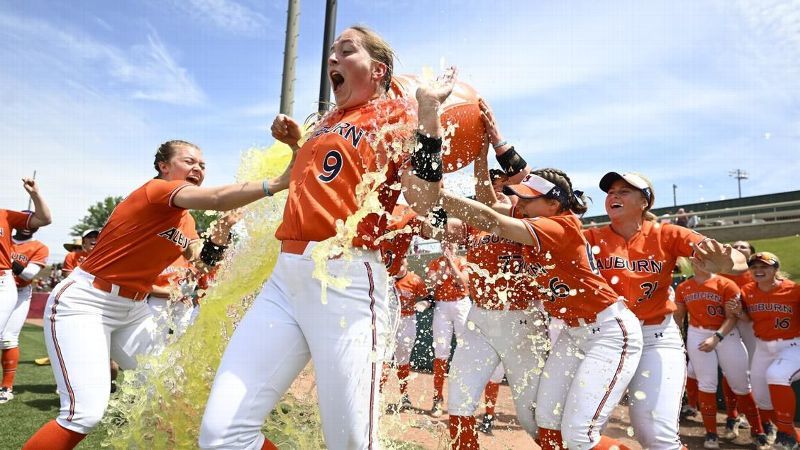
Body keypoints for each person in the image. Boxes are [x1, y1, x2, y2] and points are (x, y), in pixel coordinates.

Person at [199, 26, 428, 449]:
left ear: (378, 70)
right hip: (287, 276)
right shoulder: (328, 120)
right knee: (222, 434)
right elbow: (331, 177)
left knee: (351, 444)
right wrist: (296, 144)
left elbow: (423, 197)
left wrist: (429, 119)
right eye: (330, 53)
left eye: (346, 51)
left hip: (346, 275)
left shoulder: (397, 114)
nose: (332, 60)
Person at [23, 139, 277, 449]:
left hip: (133, 309)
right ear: (163, 167)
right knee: (84, 414)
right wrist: (277, 182)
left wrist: (222, 229)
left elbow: (202, 259)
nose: (198, 167)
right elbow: (218, 197)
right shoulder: (157, 191)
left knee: (169, 392)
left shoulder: (187, 219)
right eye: (189, 161)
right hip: (87, 301)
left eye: (202, 164)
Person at [584, 171, 749, 450]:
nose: (614, 196)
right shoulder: (590, 236)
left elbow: (735, 258)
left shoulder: (666, 234)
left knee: (655, 435)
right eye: (611, 192)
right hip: (604, 339)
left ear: (644, 202)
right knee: (581, 430)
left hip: (654, 339)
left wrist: (726, 264)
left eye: (624, 191)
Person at [673, 260, 766, 449]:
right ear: (691, 262)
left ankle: (758, 431)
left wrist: (716, 337)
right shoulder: (684, 287)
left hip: (727, 334)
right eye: (697, 260)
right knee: (706, 384)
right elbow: (679, 317)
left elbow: (732, 317)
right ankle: (711, 433)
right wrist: (675, 339)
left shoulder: (726, 284)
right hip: (697, 333)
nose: (701, 264)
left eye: (705, 260)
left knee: (740, 384)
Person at [729, 252, 800, 450]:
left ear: (775, 269)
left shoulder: (794, 290)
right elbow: (747, 319)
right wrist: (738, 312)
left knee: (776, 375)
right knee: (761, 398)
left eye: (764, 267)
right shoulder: (747, 291)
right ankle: (791, 435)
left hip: (792, 346)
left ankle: (786, 435)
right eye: (754, 267)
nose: (759, 271)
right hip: (763, 347)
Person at [0, 179, 52, 403]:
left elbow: (29, 275)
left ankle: (6, 387)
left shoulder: (38, 246)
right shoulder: (8, 240)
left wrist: (35, 194)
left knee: (8, 338)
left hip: (16, 290)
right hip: (9, 282)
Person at [34, 229, 102, 368]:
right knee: (71, 340)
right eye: (90, 237)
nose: (94, 239)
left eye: (97, 236)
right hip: (76, 303)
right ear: (84, 241)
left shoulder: (106, 256)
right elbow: (69, 279)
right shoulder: (72, 256)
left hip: (98, 304)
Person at [425, 240, 471, 417]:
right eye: (445, 244)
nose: (449, 247)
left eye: (451, 244)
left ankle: (462, 399)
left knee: (465, 349)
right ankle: (438, 397)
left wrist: (451, 261)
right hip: (442, 306)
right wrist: (445, 263)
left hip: (461, 304)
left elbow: (463, 281)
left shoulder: (463, 260)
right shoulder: (435, 263)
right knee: (441, 352)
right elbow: (435, 281)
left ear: (457, 246)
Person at [382, 256, 430, 412]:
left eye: (402, 263)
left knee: (403, 360)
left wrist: (424, 303)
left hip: (408, 320)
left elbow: (429, 297)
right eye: (398, 264)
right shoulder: (386, 278)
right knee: (384, 358)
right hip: (389, 320)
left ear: (407, 262)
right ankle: (379, 392)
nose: (400, 267)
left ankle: (404, 395)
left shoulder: (415, 280)